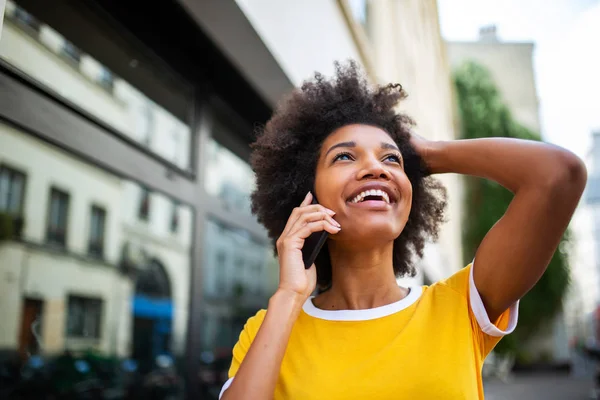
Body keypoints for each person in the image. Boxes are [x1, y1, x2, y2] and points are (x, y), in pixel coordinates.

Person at [219, 61, 586, 399]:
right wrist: (289, 295)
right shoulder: (270, 327)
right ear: (306, 195)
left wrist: (427, 154)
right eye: (345, 156)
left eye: (391, 159)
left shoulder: (460, 307)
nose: (377, 168)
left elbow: (558, 175)